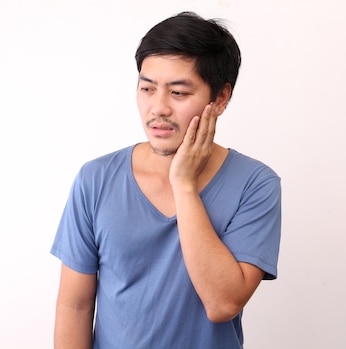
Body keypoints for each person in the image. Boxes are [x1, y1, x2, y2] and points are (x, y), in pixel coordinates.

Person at [50, 11, 281, 349]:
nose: (158, 108)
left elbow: (223, 304)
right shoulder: (96, 179)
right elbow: (75, 305)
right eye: (147, 88)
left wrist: (184, 185)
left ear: (220, 99)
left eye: (178, 93)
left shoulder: (256, 184)